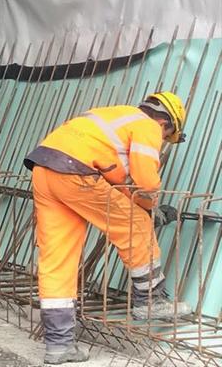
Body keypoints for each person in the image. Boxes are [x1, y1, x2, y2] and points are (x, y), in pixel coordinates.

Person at [24, 91, 191, 365]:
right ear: (165, 123)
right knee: (136, 224)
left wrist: (142, 204)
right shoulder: (148, 125)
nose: (161, 142)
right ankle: (150, 301)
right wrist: (149, 210)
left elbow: (116, 184)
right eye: (166, 137)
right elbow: (146, 183)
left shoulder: (114, 117)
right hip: (75, 172)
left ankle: (58, 345)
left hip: (45, 169)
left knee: (58, 258)